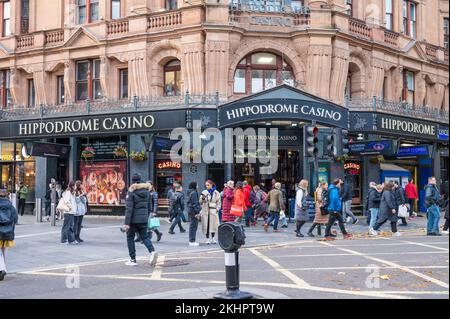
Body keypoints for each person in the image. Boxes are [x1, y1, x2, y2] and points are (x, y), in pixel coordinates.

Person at [122, 173, 158, 267]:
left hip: (133, 220)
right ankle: (152, 251)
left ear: (132, 181)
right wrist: (145, 217)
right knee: (145, 237)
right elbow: (149, 206)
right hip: (143, 219)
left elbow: (129, 209)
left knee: (130, 238)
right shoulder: (147, 192)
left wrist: (126, 223)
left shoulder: (131, 192)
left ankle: (133, 259)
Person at [0, 188, 18, 281]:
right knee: (4, 250)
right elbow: (15, 218)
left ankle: (2, 269)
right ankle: (4, 268)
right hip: (7, 231)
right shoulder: (10, 205)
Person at [199, 180, 221, 244]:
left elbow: (219, 202)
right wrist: (203, 198)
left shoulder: (216, 192)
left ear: (211, 185)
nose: (207, 186)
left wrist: (217, 209)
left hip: (213, 210)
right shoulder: (204, 192)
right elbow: (200, 202)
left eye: (208, 185)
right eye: (206, 185)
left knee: (213, 225)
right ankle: (207, 238)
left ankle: (213, 238)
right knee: (206, 225)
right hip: (205, 210)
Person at [186, 182, 202, 246]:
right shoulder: (194, 193)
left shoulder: (190, 192)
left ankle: (192, 240)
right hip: (194, 212)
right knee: (193, 226)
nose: (198, 186)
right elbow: (195, 203)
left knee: (192, 226)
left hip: (191, 211)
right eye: (197, 185)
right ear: (194, 186)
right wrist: (198, 211)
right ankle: (192, 241)